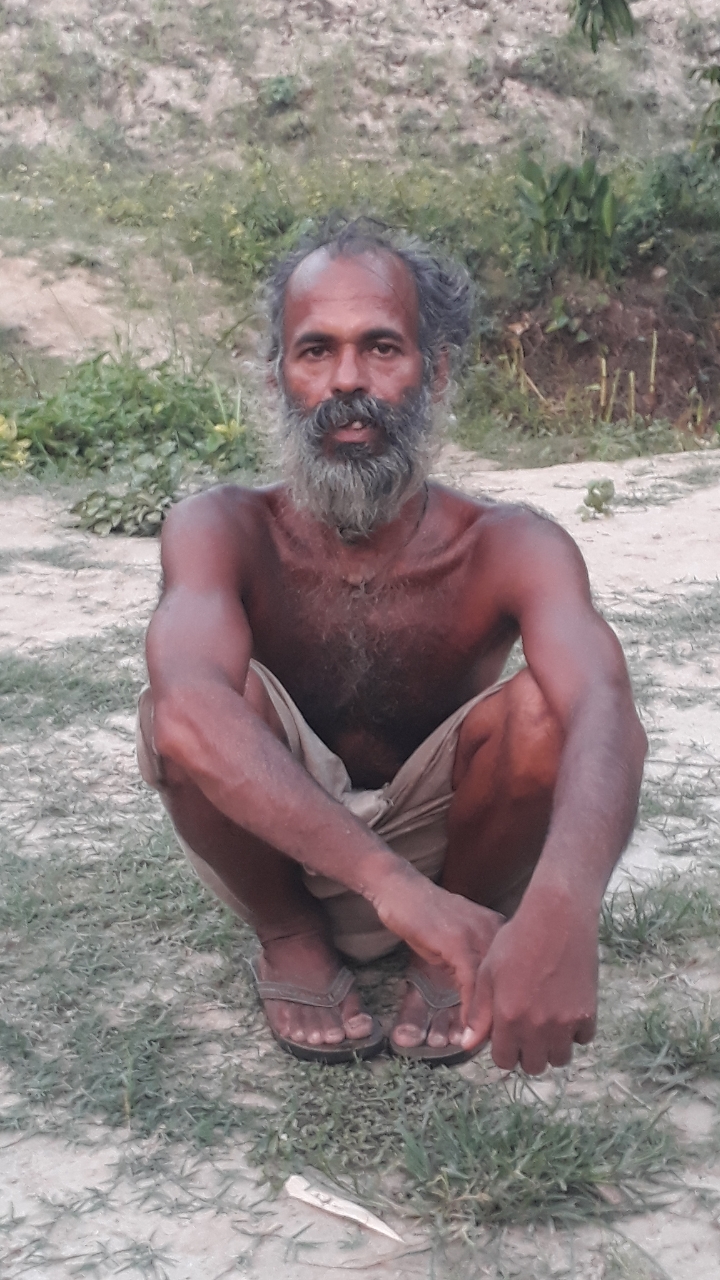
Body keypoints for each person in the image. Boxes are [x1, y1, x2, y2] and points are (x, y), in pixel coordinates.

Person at [137, 219, 646, 1071]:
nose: (347, 380)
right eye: (315, 351)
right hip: (272, 832)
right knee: (185, 710)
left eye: (381, 348)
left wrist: (565, 905)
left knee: (547, 713)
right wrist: (393, 888)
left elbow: (604, 707)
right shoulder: (218, 527)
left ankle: (447, 947)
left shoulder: (511, 544)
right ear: (277, 378)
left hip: (459, 854)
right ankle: (292, 936)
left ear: (434, 372)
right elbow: (189, 711)